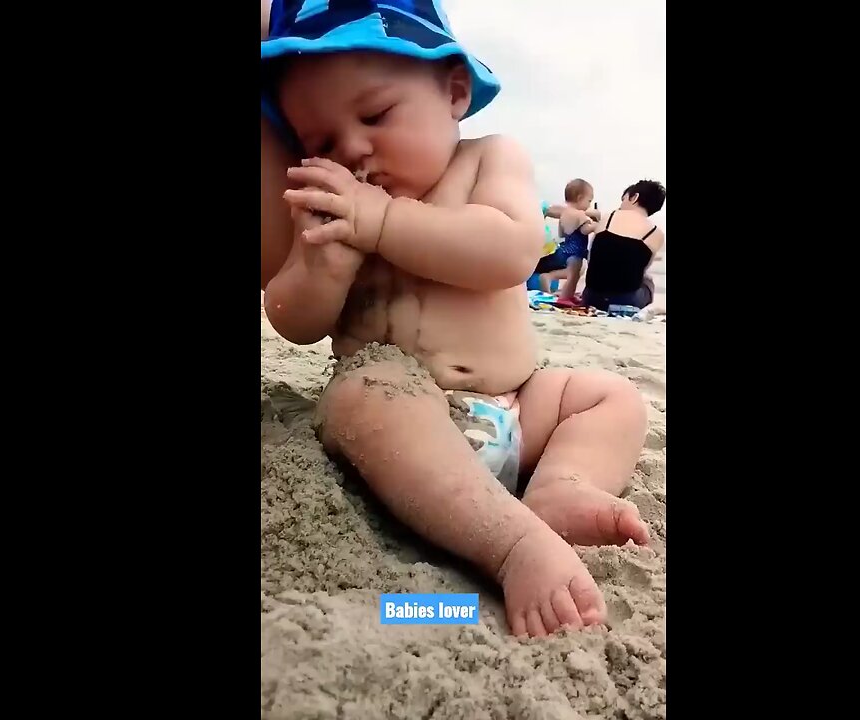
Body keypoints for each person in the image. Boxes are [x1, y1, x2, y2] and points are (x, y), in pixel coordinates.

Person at [260, 0, 649, 638]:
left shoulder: (487, 160)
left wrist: (383, 222)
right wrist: (321, 268)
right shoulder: (338, 214)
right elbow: (292, 320)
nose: (353, 150)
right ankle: (509, 542)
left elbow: (508, 250)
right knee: (363, 394)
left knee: (612, 399)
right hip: (408, 422)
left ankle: (562, 483)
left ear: (454, 92)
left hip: (520, 405)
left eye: (376, 115)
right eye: (322, 143)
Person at [579, 180, 667, 312]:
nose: (621, 204)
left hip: (592, 297)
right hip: (628, 300)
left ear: (634, 197)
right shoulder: (656, 233)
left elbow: (592, 257)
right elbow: (642, 268)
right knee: (648, 281)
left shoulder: (609, 217)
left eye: (623, 199)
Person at [533, 180, 598, 295]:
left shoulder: (565, 214)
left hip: (565, 248)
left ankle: (562, 290)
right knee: (574, 272)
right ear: (579, 198)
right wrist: (596, 226)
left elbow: (562, 234)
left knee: (575, 271)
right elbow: (584, 230)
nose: (589, 205)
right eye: (589, 201)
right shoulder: (578, 214)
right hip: (572, 251)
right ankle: (554, 281)